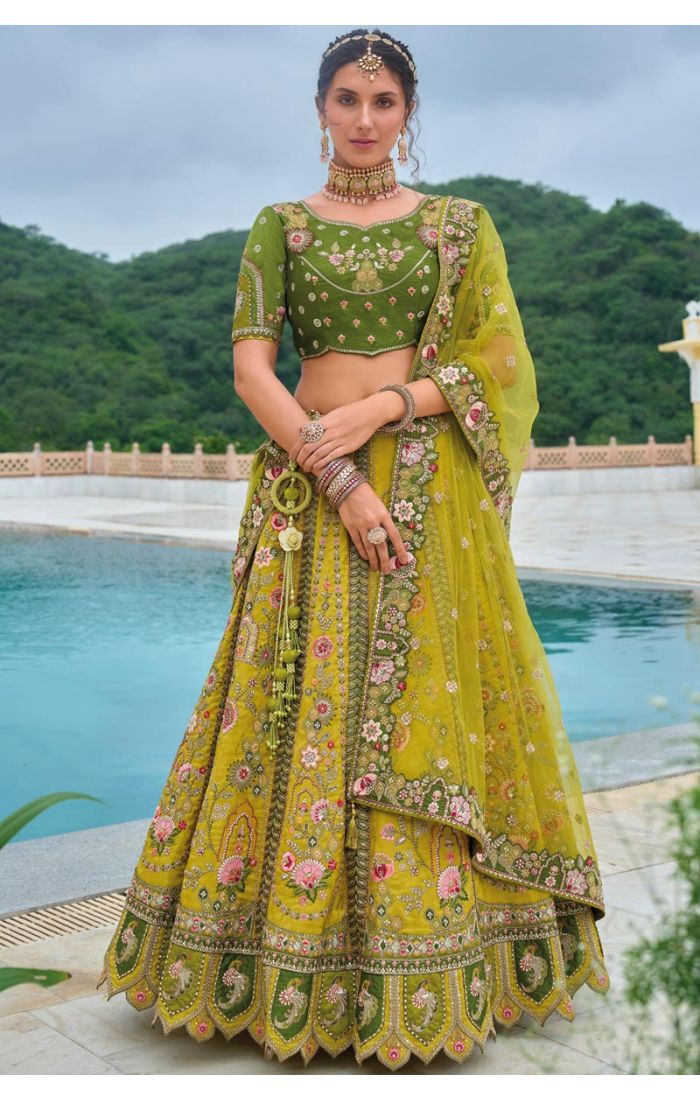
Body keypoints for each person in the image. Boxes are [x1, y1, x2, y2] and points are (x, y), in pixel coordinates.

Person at [96, 27, 610, 1070]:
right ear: (320, 109)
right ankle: (277, 963)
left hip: (427, 493)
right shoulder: (279, 227)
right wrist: (334, 473)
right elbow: (253, 369)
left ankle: (437, 960)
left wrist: (385, 406)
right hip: (308, 489)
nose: (366, 120)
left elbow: (498, 360)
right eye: (347, 99)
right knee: (296, 708)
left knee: (421, 709)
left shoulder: (461, 227)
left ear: (408, 115)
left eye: (384, 102)